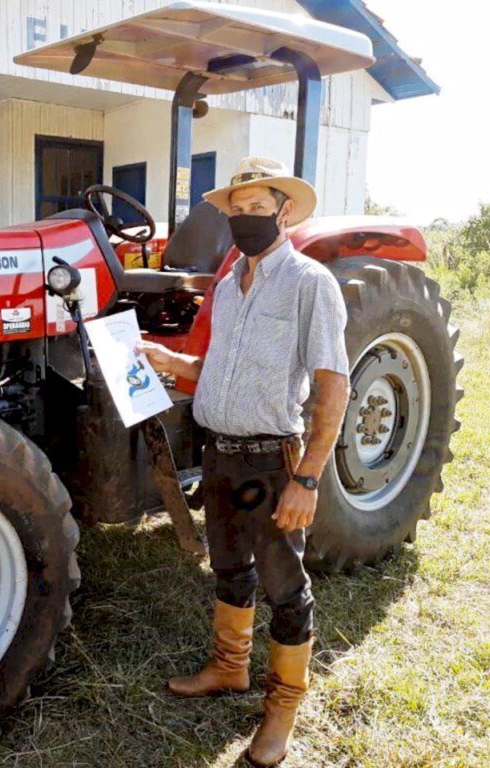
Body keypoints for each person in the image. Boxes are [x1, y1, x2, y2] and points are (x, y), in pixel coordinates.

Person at [138, 157, 350, 767]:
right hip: (220, 455)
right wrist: (166, 359)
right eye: (237, 209)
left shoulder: (312, 283)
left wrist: (306, 479)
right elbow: (216, 375)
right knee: (230, 569)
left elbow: (331, 388)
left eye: (258, 208)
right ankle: (229, 668)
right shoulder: (228, 289)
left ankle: (281, 710)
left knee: (286, 588)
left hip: (270, 461)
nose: (245, 219)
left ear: (284, 211)